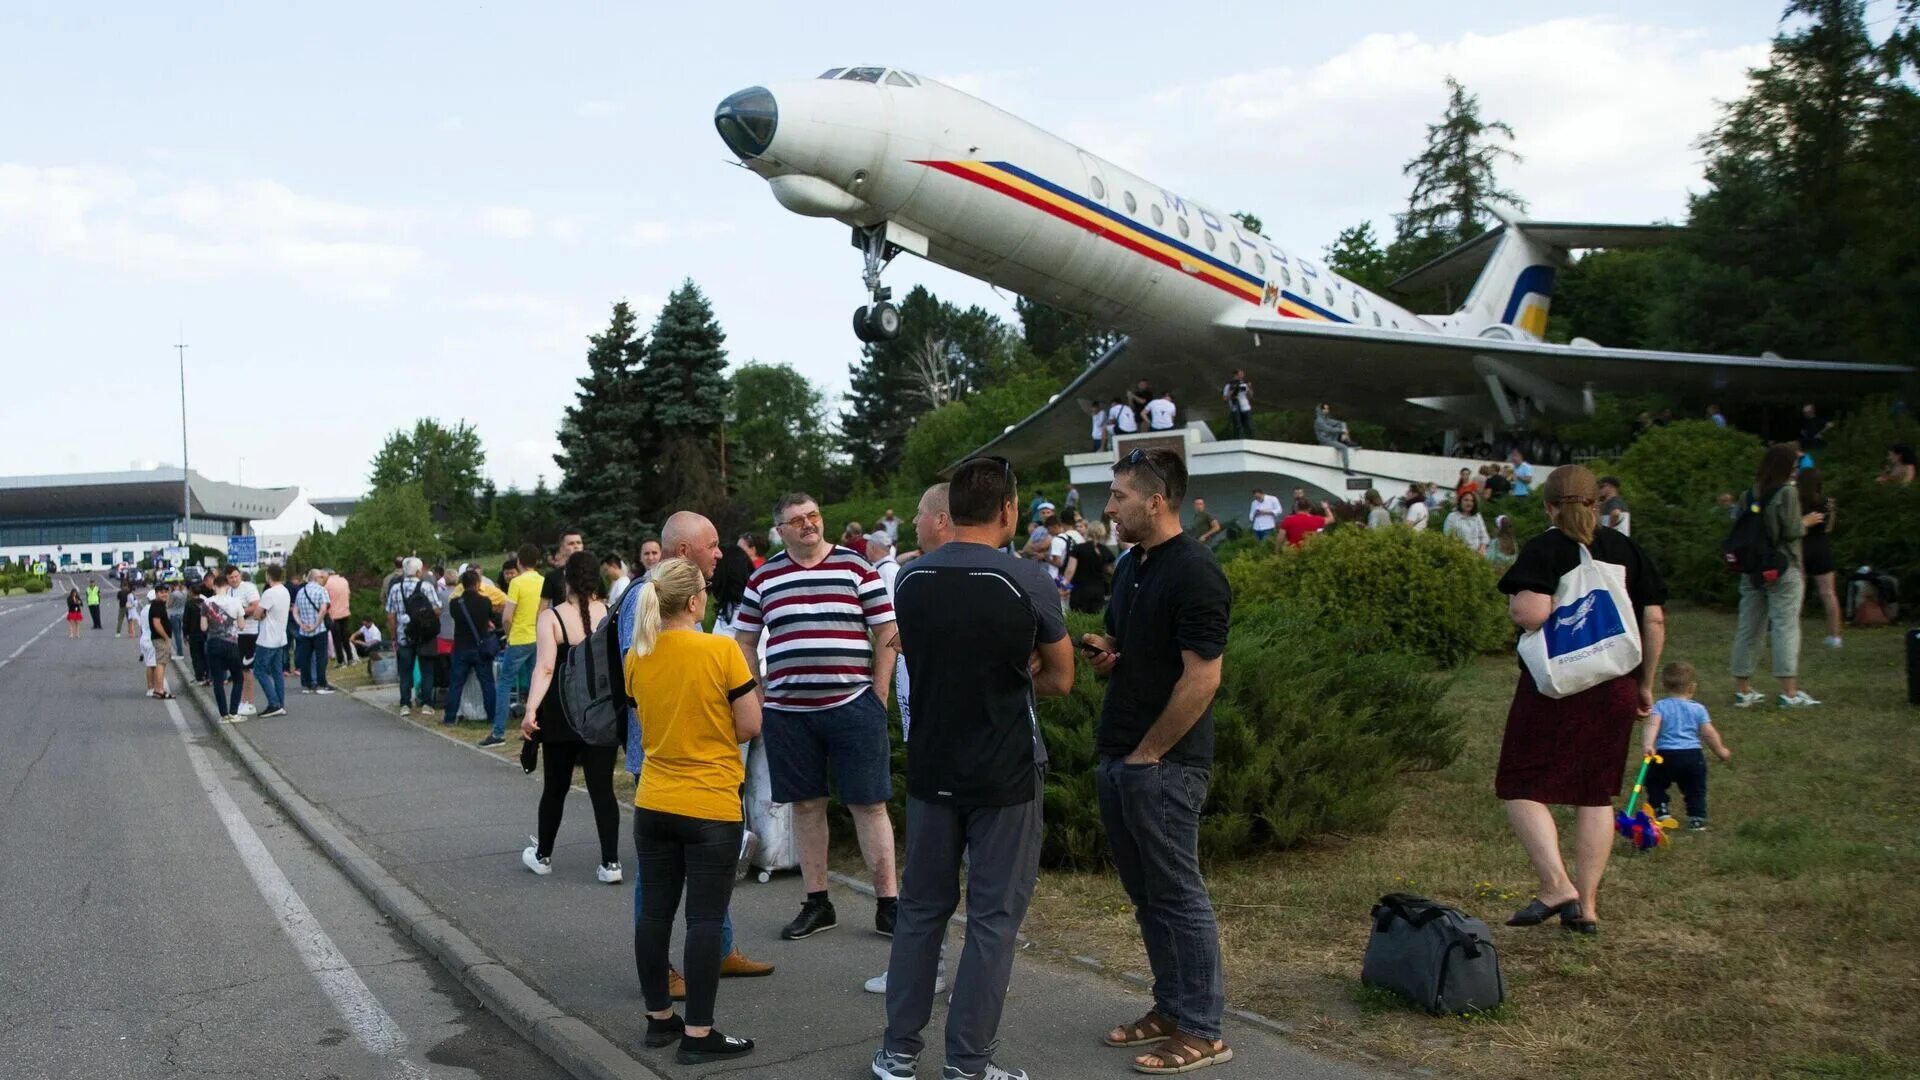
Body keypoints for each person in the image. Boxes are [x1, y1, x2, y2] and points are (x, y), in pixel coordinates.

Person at [873, 455, 1075, 1080]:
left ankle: (897, 1052)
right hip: (1006, 770)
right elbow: (1062, 678)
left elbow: (933, 658)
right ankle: (969, 1063)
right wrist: (1021, 675)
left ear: (950, 512)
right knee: (992, 920)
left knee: (921, 911)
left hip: (933, 764)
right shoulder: (1026, 578)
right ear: (1009, 511)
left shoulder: (908, 580)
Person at [1080, 447, 1233, 1074]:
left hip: (1165, 763)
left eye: (1118, 497)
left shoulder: (1196, 571)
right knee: (1148, 895)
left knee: (1179, 894)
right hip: (1121, 752)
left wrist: (1149, 754)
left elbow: (1203, 679)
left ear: (1155, 500)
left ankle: (1202, 1029)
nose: (1108, 508)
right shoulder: (1130, 566)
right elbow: (1128, 641)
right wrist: (1106, 652)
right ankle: (1170, 1008)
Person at [1496, 465, 1667, 937]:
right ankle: (1587, 905)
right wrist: (1646, 684)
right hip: (1616, 684)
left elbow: (1531, 614)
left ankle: (1556, 885)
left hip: (1557, 684)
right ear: (1599, 503)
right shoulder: (1626, 548)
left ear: (1549, 506)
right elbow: (1653, 621)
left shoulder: (1545, 548)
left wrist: (1517, 607)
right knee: (1595, 792)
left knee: (1521, 781)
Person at [732, 492, 899, 941]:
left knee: (870, 803)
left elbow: (887, 629)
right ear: (780, 530)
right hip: (789, 714)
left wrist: (879, 693)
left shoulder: (856, 566)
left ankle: (889, 905)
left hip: (854, 707)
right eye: (796, 520)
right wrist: (759, 694)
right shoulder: (763, 577)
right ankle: (818, 902)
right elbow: (744, 640)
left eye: (813, 516)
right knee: (805, 806)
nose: (808, 524)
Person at [620, 511, 773, 990]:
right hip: (670, 762)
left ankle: (719, 950)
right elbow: (659, 684)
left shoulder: (659, 607)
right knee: (659, 883)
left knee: (707, 873)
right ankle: (664, 971)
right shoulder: (644, 604)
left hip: (677, 763)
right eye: (711, 544)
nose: (720, 553)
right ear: (684, 554)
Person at [519, 550, 620, 882]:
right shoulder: (609, 614)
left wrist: (531, 709)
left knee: (555, 789)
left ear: (567, 581)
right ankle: (611, 863)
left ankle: (544, 854)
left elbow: (546, 667)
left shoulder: (552, 618)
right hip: (602, 714)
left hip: (561, 714)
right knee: (603, 790)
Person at [1731, 444, 1824, 708]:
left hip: (1751, 568)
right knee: (1785, 626)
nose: (1797, 470)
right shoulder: (1787, 492)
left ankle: (1743, 689)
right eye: (1794, 465)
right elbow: (1792, 530)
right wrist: (1807, 521)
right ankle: (1789, 692)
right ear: (1785, 467)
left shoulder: (1749, 494)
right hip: (1783, 566)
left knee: (1749, 626)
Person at [1641, 661, 1731, 831]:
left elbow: (1652, 725)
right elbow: (1708, 733)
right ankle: (1696, 818)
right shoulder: (1698, 709)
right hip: (1692, 757)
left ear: (1664, 685)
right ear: (1692, 687)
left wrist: (1648, 744)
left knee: (1654, 782)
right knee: (1695, 788)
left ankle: (1661, 809)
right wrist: (1720, 750)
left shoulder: (1660, 706)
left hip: (1665, 757)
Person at [495, 543, 547, 737]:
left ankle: (498, 731)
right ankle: (534, 726)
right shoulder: (543, 580)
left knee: (504, 683)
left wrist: (509, 634)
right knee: (536, 684)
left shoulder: (516, 583)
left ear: (519, 562)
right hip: (538, 637)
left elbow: (507, 616)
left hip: (519, 637)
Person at [446, 568, 500, 735]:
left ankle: (449, 717)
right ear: (478, 584)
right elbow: (491, 619)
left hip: (461, 647)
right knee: (487, 684)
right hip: (480, 648)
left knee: (456, 684)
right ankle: (492, 717)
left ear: (462, 585)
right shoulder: (485, 601)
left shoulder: (454, 604)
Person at [385, 557, 441, 718]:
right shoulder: (426, 586)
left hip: (404, 634)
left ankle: (405, 703)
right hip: (425, 635)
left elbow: (390, 615)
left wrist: (393, 635)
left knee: (405, 671)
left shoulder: (396, 588)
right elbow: (437, 609)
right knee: (427, 670)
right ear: (418, 571)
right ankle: (427, 703)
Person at [1796, 469, 1842, 650]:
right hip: (1821, 548)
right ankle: (1834, 636)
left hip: (1800, 547)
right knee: (1829, 593)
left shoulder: (1795, 502)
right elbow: (1829, 527)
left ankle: (1793, 632)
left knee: (1797, 594)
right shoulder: (1826, 502)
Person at [204, 576, 247, 721]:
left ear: (214, 586)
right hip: (231, 643)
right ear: (227, 586)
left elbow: (203, 627)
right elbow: (241, 625)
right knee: (238, 678)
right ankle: (234, 712)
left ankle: (223, 715)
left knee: (217, 680)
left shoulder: (207, 602)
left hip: (213, 643)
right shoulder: (235, 602)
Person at [253, 565, 291, 718]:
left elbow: (257, 614)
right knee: (277, 672)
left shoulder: (269, 593)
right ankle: (280, 703)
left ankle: (274, 703)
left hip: (267, 638)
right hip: (280, 637)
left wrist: (261, 616)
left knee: (259, 671)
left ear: (268, 576)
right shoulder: (285, 591)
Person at [226, 566, 262, 716]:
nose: (234, 580)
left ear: (239, 576)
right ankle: (243, 701)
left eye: (236, 576)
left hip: (249, 633)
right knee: (238, 670)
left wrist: (239, 611)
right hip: (235, 634)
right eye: (231, 577)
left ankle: (250, 702)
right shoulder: (228, 591)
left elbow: (256, 606)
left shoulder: (249, 588)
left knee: (246, 670)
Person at [294, 569, 335, 695]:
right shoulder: (321, 590)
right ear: (317, 578)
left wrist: (301, 624)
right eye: (321, 577)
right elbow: (323, 610)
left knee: (305, 657)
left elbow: (295, 611)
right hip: (319, 630)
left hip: (304, 630)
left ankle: (307, 683)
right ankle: (321, 683)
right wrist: (315, 625)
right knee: (321, 657)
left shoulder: (301, 591)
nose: (323, 579)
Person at [143, 582, 174, 700]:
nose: (164, 594)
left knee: (161, 663)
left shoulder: (160, 604)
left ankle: (158, 688)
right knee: (161, 664)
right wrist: (166, 637)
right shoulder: (157, 605)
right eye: (161, 592)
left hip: (159, 638)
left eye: (166, 592)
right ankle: (159, 689)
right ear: (156, 594)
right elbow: (156, 623)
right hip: (160, 639)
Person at [1444, 490, 1490, 556]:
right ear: (1460, 501)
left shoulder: (1477, 516)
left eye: (1472, 501)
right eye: (1466, 500)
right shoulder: (1452, 516)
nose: (1469, 503)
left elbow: (1485, 536)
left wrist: (1481, 549)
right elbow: (1448, 537)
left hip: (1478, 555)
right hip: (1459, 554)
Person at [324, 566, 353, 667]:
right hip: (345, 612)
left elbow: (325, 600)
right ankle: (350, 658)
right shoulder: (344, 580)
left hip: (333, 614)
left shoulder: (326, 584)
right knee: (345, 637)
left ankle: (340, 661)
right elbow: (349, 594)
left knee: (337, 639)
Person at [1314, 403, 1356, 473]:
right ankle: (1346, 469)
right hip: (1325, 441)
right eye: (1326, 409)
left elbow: (1342, 423)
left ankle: (1347, 440)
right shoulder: (1319, 421)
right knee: (1344, 447)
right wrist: (1342, 431)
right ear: (1321, 410)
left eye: (1328, 408)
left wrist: (1343, 433)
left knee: (1339, 425)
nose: (1328, 410)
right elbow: (1328, 429)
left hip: (1332, 439)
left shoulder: (1327, 420)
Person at [182, 578, 209, 684]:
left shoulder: (189, 604)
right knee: (204, 654)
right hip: (205, 632)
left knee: (196, 655)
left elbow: (186, 620)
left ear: (191, 592)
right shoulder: (205, 603)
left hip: (193, 634)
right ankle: (207, 675)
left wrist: (185, 634)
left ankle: (199, 677)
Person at [1220, 370, 1253, 438]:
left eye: (1243, 374)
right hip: (1235, 408)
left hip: (1246, 408)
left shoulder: (1244, 384)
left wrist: (1249, 388)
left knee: (1249, 426)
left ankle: (1251, 439)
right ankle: (1238, 439)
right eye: (1240, 374)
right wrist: (1232, 392)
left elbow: (1250, 396)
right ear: (1235, 375)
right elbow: (1225, 398)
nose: (1242, 376)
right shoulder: (1229, 385)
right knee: (1238, 426)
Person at [166, 575, 188, 657]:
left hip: (174, 615)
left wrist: (169, 594)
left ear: (172, 586)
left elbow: (169, 605)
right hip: (182, 614)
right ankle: (180, 651)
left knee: (176, 634)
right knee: (179, 633)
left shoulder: (173, 594)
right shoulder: (184, 593)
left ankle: (179, 652)